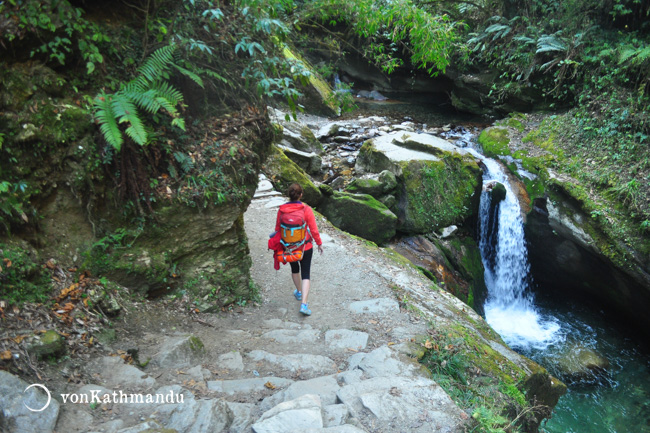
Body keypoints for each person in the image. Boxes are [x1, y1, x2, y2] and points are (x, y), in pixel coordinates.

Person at [274, 183, 323, 316]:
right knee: (306, 273)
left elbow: (277, 229)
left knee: (295, 269)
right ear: (301, 195)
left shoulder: (282, 210)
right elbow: (313, 229)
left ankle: (299, 292)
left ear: (288, 195)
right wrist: (319, 243)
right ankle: (304, 304)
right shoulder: (306, 210)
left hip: (289, 247)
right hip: (305, 246)